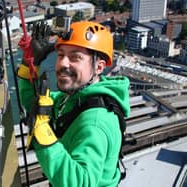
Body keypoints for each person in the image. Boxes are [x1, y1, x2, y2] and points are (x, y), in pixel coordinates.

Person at [17, 21, 130, 187]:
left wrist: (41, 131)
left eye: (75, 57)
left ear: (99, 67)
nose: (63, 63)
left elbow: (80, 183)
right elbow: (34, 102)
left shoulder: (94, 123)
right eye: (61, 55)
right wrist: (30, 63)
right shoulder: (73, 100)